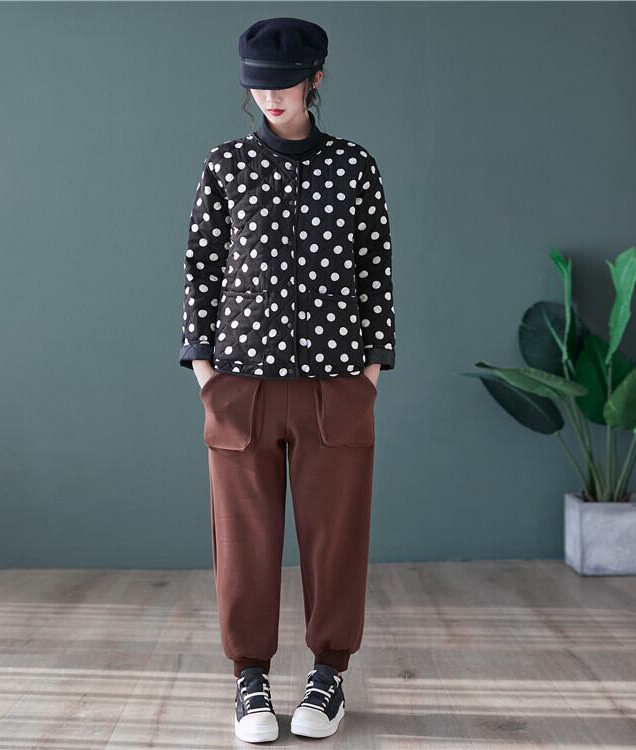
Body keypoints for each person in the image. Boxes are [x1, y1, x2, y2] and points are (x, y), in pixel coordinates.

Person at [178, 16, 396, 743]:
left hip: (338, 386)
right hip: (240, 385)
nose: (270, 97)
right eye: (257, 85)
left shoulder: (355, 167)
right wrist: (206, 373)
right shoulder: (225, 166)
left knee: (336, 539)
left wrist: (369, 373)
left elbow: (375, 274)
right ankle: (250, 681)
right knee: (244, 541)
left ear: (316, 79)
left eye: (284, 82)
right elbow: (201, 269)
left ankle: (328, 677)